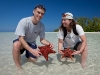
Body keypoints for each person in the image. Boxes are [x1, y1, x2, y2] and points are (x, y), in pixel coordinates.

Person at [12, 4, 54, 71]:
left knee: (33, 60)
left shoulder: (42, 26)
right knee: (16, 44)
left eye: (42, 14)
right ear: (33, 11)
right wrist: (32, 51)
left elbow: (42, 40)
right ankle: (18, 67)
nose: (40, 15)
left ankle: (28, 56)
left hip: (32, 43)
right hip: (23, 42)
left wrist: (49, 44)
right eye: (38, 12)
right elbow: (21, 38)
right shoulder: (24, 21)